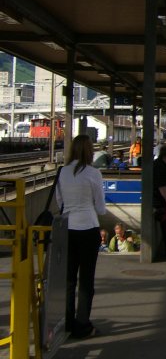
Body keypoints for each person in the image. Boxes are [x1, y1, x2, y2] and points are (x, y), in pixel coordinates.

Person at [55, 134, 106, 339]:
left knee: (68, 279)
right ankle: (83, 324)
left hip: (67, 229)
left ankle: (66, 323)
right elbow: (101, 208)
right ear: (89, 151)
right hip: (88, 229)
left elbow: (60, 203)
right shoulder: (93, 173)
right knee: (86, 280)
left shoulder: (62, 172)